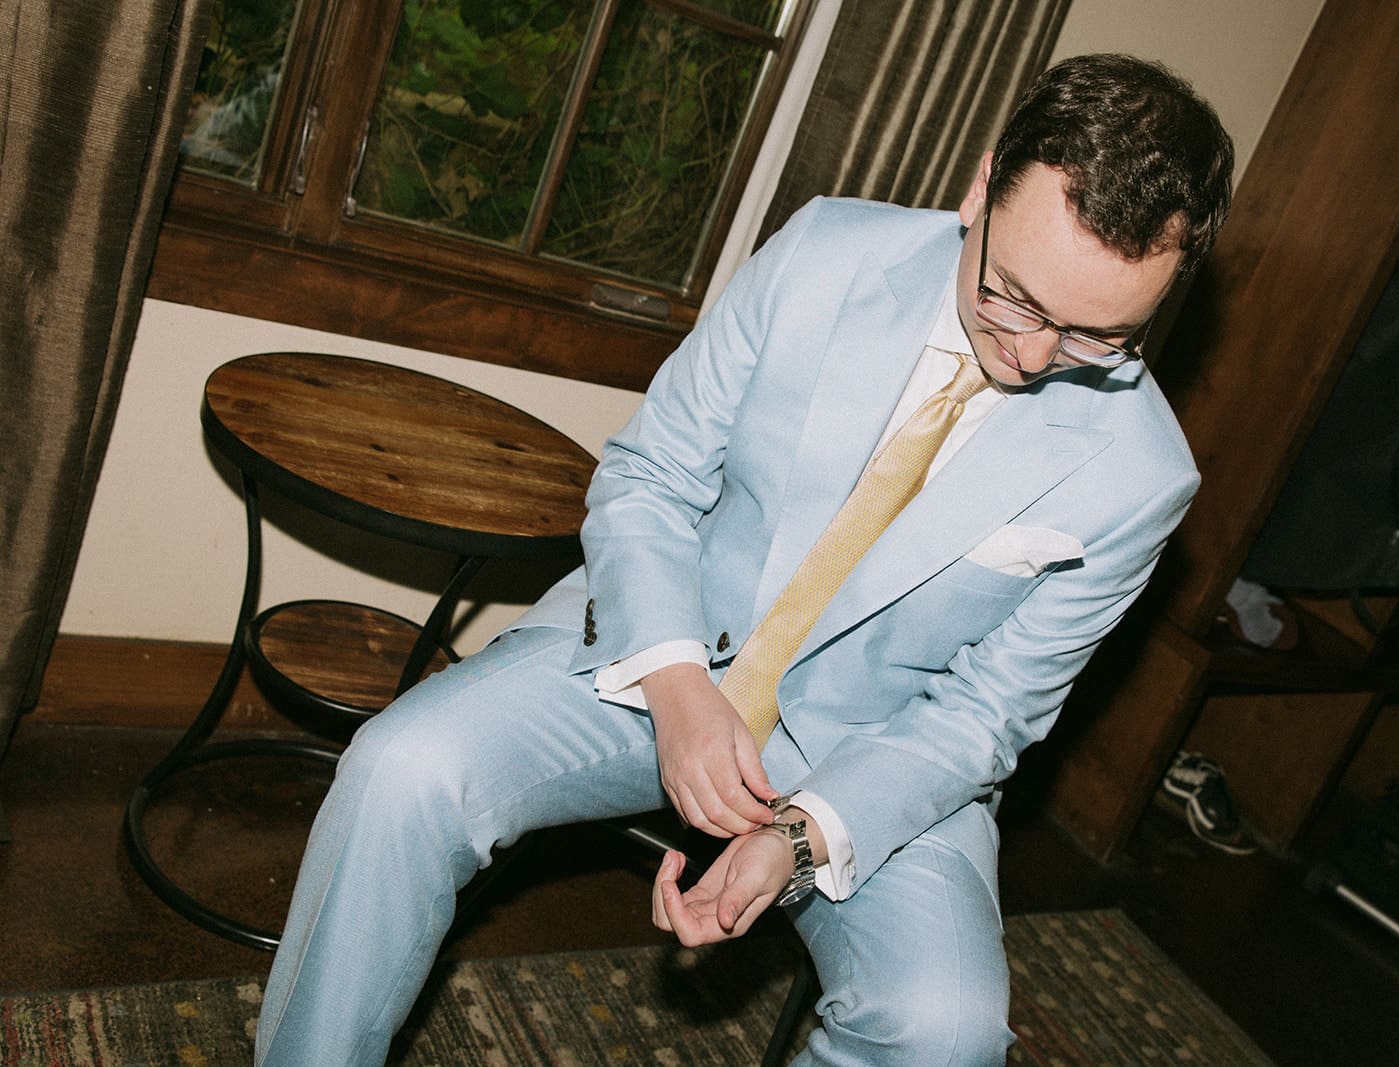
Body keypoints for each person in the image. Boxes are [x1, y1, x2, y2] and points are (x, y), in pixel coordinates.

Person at [254, 52, 1233, 1066]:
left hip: (876, 749)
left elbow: (990, 714)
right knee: (400, 769)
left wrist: (803, 835)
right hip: (662, 645)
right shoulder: (822, 252)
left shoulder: (1141, 477)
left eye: (1094, 337)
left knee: (944, 1031)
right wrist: (677, 686)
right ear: (979, 189)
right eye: (1012, 297)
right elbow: (648, 477)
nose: (1031, 355)